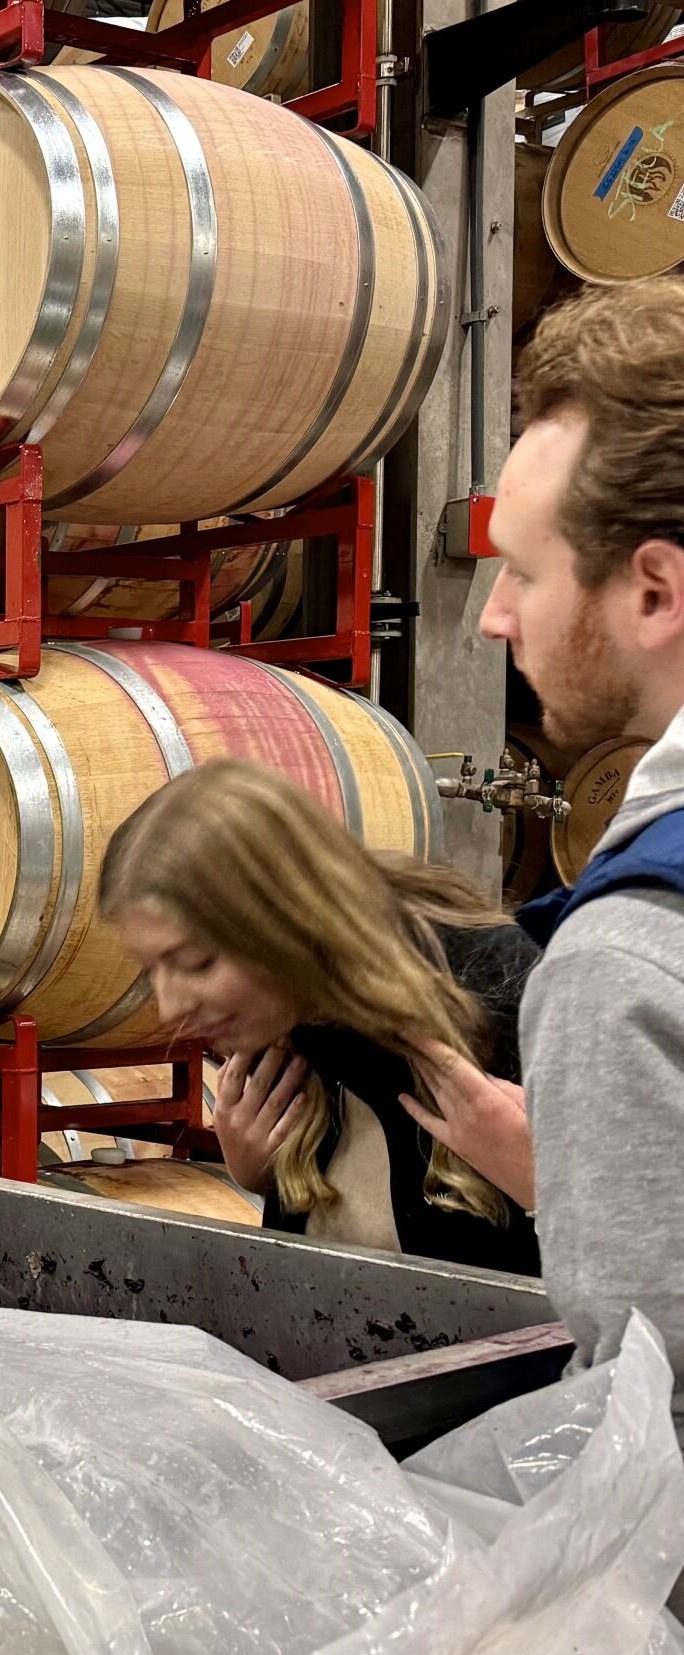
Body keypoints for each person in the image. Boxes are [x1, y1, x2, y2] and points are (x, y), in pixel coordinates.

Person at [411, 277, 684, 1417]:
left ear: (656, 590)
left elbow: (651, 1450)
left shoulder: (624, 963)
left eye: (523, 570)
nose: (491, 616)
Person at [99, 759, 540, 1275]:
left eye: (196, 962)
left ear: (287, 919)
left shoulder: (505, 994)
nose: (171, 1007)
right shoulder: (288, 1019)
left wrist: (549, 1187)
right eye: (152, 970)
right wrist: (264, 1178)